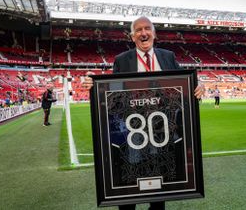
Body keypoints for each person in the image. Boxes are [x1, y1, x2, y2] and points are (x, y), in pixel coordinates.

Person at [83, 16, 205, 210]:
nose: (143, 33)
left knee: (159, 183)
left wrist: (197, 88)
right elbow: (113, 95)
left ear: (154, 34)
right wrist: (94, 87)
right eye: (138, 30)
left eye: (147, 29)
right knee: (130, 181)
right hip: (134, 132)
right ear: (132, 37)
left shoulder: (168, 56)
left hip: (161, 131)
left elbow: (184, 85)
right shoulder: (122, 61)